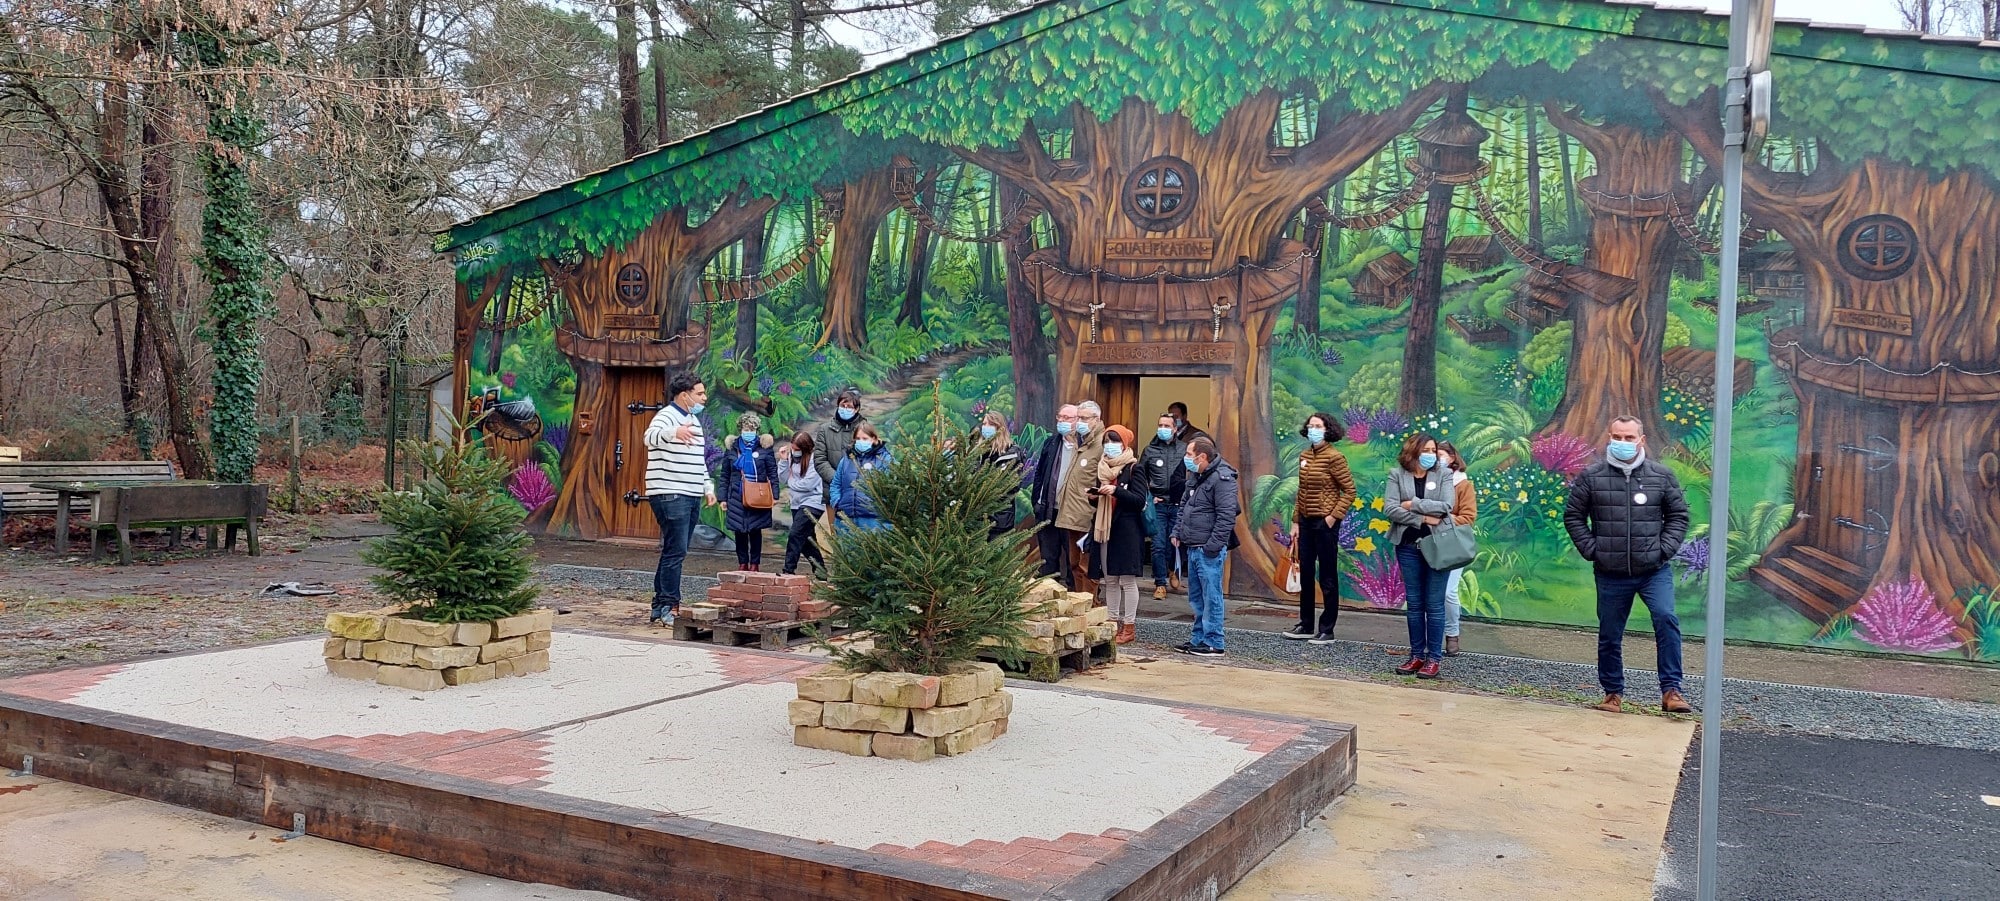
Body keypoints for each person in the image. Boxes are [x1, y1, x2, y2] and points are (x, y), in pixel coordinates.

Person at [1563, 415, 1693, 714]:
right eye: (1617, 437)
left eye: (1629, 438)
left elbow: (1678, 516)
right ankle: (1612, 694)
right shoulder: (1592, 477)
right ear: (1609, 437)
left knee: (1666, 619)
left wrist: (1663, 551)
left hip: (1653, 570)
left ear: (1641, 440)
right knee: (1610, 633)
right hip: (1610, 572)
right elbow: (1573, 516)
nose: (1623, 443)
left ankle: (1672, 691)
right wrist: (1594, 550)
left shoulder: (1661, 476)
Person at [643, 371, 716, 626]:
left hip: (692, 492)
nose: (704, 397)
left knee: (674, 551)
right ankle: (669, 606)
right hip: (671, 493)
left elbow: (699, 461)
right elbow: (648, 437)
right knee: (677, 550)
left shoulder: (694, 421)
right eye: (700, 393)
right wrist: (673, 432)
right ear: (684, 395)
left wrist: (708, 487)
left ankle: (659, 604)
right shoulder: (666, 416)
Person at [1384, 433, 1460, 678]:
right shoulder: (1397, 474)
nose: (1430, 455)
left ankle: (1434, 659)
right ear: (1413, 452)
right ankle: (1417, 655)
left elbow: (1446, 506)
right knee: (1415, 604)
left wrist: (1411, 503)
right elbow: (1391, 509)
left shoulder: (1444, 474)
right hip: (1407, 547)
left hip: (1438, 546)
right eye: (1425, 450)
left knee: (1435, 604)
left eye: (1433, 450)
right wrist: (1423, 517)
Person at [1284, 412, 1356, 644]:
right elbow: (1301, 491)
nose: (1313, 429)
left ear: (1327, 430)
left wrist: (1332, 518)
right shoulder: (1305, 455)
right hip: (1305, 521)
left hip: (1324, 524)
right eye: (1310, 425)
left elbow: (1350, 491)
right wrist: (1295, 521)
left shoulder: (1335, 458)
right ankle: (1306, 624)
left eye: (1318, 426)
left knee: (1327, 576)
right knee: (1305, 573)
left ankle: (1327, 629)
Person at [1172, 436, 1238, 657]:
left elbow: (1226, 516)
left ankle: (1214, 641)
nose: (1186, 459)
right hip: (1193, 545)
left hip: (1207, 548)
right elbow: (1184, 506)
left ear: (1202, 456)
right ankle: (1198, 638)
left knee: (1211, 596)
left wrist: (1212, 546)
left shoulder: (1222, 478)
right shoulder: (1196, 476)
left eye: (1189, 454)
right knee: (1197, 597)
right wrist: (1177, 532)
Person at [1090, 425, 1147, 644]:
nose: (1109, 446)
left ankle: (1129, 625)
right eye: (1107, 441)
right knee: (1110, 579)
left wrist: (1117, 491)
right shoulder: (1102, 468)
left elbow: (1139, 500)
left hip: (1127, 531)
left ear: (1124, 444)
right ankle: (1112, 621)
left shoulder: (1134, 468)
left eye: (1114, 441)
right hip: (1105, 529)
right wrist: (1094, 496)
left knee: (1127, 580)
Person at [1055, 400, 1108, 596]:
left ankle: (1090, 606)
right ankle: (1079, 604)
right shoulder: (1082, 441)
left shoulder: (1101, 444)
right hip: (1071, 515)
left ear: (1097, 419)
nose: (1080, 422)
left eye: (1085, 418)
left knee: (1088, 567)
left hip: (1088, 517)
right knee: (1075, 565)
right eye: (1079, 418)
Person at [716, 412, 778, 572]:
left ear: (757, 429)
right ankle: (742, 562)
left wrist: (775, 495)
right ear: (740, 429)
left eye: (752, 428)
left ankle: (755, 563)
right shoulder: (732, 448)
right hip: (736, 495)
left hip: (757, 495)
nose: (748, 431)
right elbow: (725, 475)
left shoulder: (764, 448)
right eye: (746, 428)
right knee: (740, 531)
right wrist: (722, 498)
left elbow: (772, 472)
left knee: (755, 530)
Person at [1029, 404, 1081, 586]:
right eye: (1060, 417)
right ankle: (1049, 595)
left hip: (1072, 512)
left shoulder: (1084, 446)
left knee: (1073, 558)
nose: (1062, 421)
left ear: (1078, 420)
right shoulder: (1051, 443)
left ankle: (1075, 594)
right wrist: (1036, 501)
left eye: (1068, 418)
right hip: (1048, 508)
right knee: (1048, 557)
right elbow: (1040, 473)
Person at [1140, 412, 1189, 599]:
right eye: (1160, 425)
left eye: (1167, 426)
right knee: (1158, 545)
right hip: (1158, 504)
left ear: (1175, 429)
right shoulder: (1150, 451)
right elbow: (1140, 477)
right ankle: (1160, 583)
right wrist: (1149, 496)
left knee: (1175, 544)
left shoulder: (1184, 449)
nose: (1163, 429)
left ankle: (1173, 571)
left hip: (1178, 504)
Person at [1438, 440, 1476, 656]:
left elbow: (1468, 517)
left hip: (1452, 544)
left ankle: (1452, 634)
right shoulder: (1427, 480)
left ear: (1452, 458)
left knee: (1448, 592)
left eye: (1441, 454)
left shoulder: (1463, 484)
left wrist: (1441, 517)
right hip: (1428, 542)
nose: (1437, 459)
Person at [777, 431, 826, 577]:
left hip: (814, 502)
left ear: (806, 448)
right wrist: (784, 461)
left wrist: (791, 482)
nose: (794, 452)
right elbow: (783, 479)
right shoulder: (791, 457)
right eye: (793, 448)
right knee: (807, 541)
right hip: (796, 503)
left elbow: (808, 485)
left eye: (797, 450)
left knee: (795, 534)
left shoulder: (815, 459)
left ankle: (788, 570)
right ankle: (821, 573)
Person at [831, 422, 892, 531]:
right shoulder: (846, 460)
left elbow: (892, 488)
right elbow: (836, 484)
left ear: (873, 439)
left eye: (865, 438)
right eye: (858, 438)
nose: (861, 442)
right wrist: (837, 502)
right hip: (845, 520)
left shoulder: (885, 459)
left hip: (874, 522)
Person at [975, 410, 1025, 540]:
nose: (984, 427)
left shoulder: (1012, 452)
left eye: (989, 424)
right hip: (977, 516)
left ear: (998, 427)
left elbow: (1012, 485)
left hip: (1000, 516)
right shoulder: (979, 452)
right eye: (983, 424)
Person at [812, 388, 865, 486]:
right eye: (842, 406)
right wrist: (837, 479)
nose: (845, 409)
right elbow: (820, 460)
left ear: (856, 409)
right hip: (832, 490)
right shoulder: (824, 430)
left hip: (859, 490)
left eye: (849, 407)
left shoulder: (865, 429)